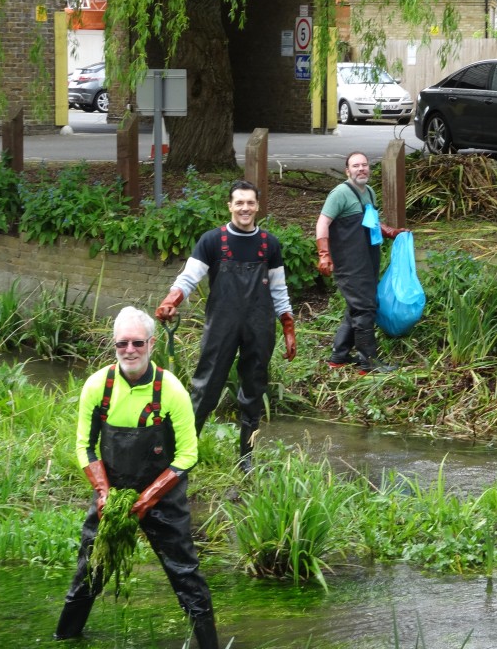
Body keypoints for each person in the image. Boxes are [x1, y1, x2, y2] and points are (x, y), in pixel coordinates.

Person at [54, 306, 219, 648]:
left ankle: (209, 643)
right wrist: (102, 493)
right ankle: (64, 638)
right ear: (114, 345)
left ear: (151, 343)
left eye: (137, 343)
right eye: (122, 344)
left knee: (184, 573)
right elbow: (84, 446)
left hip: (163, 495)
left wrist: (148, 499)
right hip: (111, 494)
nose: (129, 350)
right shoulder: (98, 386)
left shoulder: (170, 390)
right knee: (89, 571)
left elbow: (188, 454)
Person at [155, 179, 296, 471]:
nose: (245, 208)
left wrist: (288, 327)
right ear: (230, 205)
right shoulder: (212, 241)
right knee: (205, 388)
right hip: (221, 326)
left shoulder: (270, 244)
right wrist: (171, 301)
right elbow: (189, 278)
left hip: (259, 328)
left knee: (254, 391)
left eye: (251, 203)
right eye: (239, 202)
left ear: (257, 206)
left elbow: (279, 290)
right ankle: (183, 455)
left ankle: (246, 458)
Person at [315, 151, 406, 373]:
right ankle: (368, 362)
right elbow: (322, 223)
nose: (361, 169)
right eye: (356, 166)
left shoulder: (370, 192)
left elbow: (371, 221)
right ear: (348, 171)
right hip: (349, 263)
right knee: (365, 307)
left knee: (357, 306)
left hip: (367, 259)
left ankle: (338, 356)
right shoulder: (340, 194)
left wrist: (391, 231)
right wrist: (324, 254)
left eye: (364, 165)